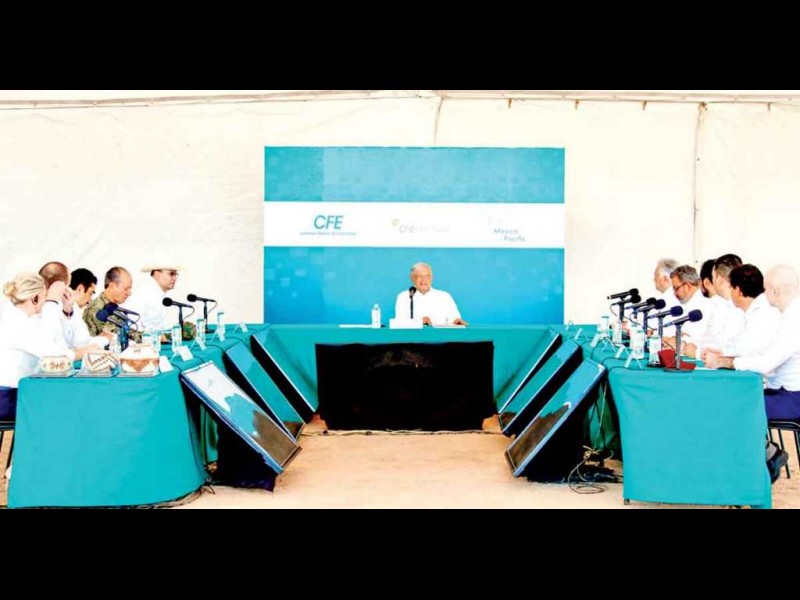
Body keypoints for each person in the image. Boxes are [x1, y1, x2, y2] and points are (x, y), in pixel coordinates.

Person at [704, 264, 799, 481]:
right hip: (782, 391)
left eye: (765, 289)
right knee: (731, 401)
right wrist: (729, 359)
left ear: (774, 291)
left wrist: (727, 362)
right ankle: (764, 456)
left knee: (732, 406)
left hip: (792, 398)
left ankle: (758, 463)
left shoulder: (793, 321)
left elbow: (766, 363)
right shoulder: (788, 316)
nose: (763, 294)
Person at [0, 272, 94, 421]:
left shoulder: (24, 317)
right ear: (35, 298)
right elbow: (53, 353)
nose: (45, 302)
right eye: (44, 297)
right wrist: (87, 351)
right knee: (65, 408)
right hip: (9, 397)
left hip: (17, 392)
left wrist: (66, 308)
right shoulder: (16, 323)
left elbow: (55, 340)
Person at [394, 262, 467, 326]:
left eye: (427, 276)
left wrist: (456, 321)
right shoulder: (403, 297)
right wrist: (419, 322)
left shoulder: (444, 296)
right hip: (414, 336)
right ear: (412, 278)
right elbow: (400, 322)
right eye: (420, 276)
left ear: (432, 278)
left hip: (441, 336)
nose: (424, 280)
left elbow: (454, 317)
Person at [83, 266, 142, 342]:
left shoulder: (112, 307)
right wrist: (145, 337)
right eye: (126, 289)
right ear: (112, 286)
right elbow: (117, 336)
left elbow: (127, 331)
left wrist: (147, 335)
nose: (129, 293)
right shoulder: (96, 309)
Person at [123, 263, 181, 333]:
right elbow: (133, 324)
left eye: (176, 274)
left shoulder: (158, 293)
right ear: (157, 274)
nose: (175, 278)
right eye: (171, 274)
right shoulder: (144, 292)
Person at [68, 268, 112, 349]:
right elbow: (82, 345)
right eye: (90, 293)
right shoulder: (70, 311)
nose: (90, 300)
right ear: (80, 289)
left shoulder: (73, 310)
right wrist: (106, 338)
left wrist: (100, 337)